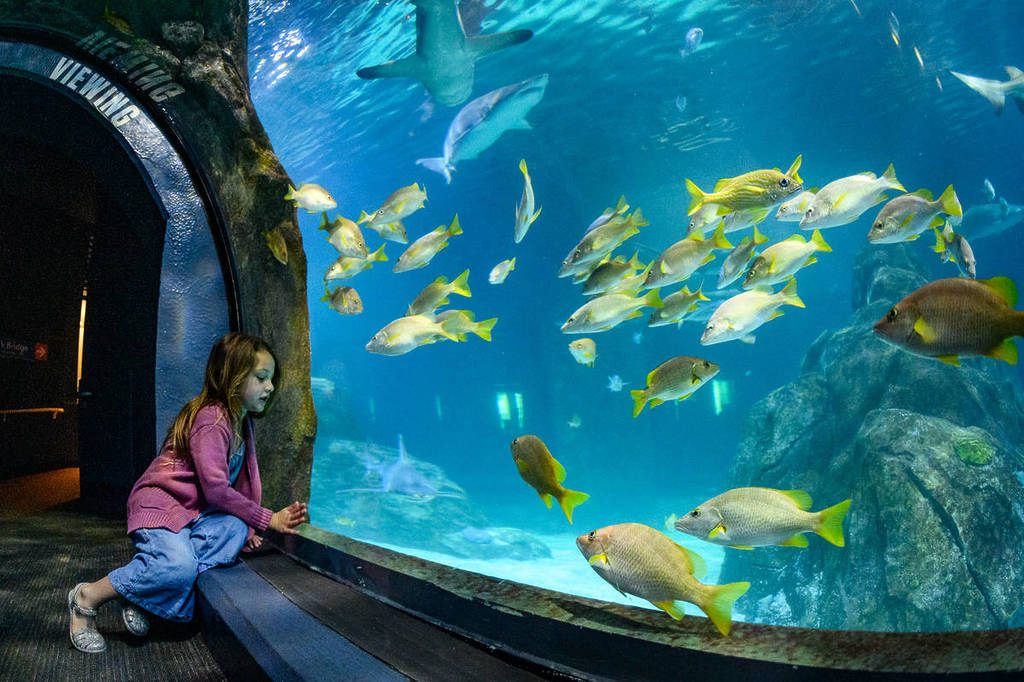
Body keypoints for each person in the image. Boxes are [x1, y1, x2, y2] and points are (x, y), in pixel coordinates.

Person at [67, 332, 309, 653]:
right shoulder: (212, 419)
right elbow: (217, 490)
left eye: (271, 379)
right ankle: (87, 597)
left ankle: (147, 594)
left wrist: (250, 526)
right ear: (233, 377)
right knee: (179, 568)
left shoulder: (240, 421)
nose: (271, 387)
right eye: (262, 377)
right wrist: (268, 519)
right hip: (160, 508)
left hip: (192, 514)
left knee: (235, 529)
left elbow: (242, 484)